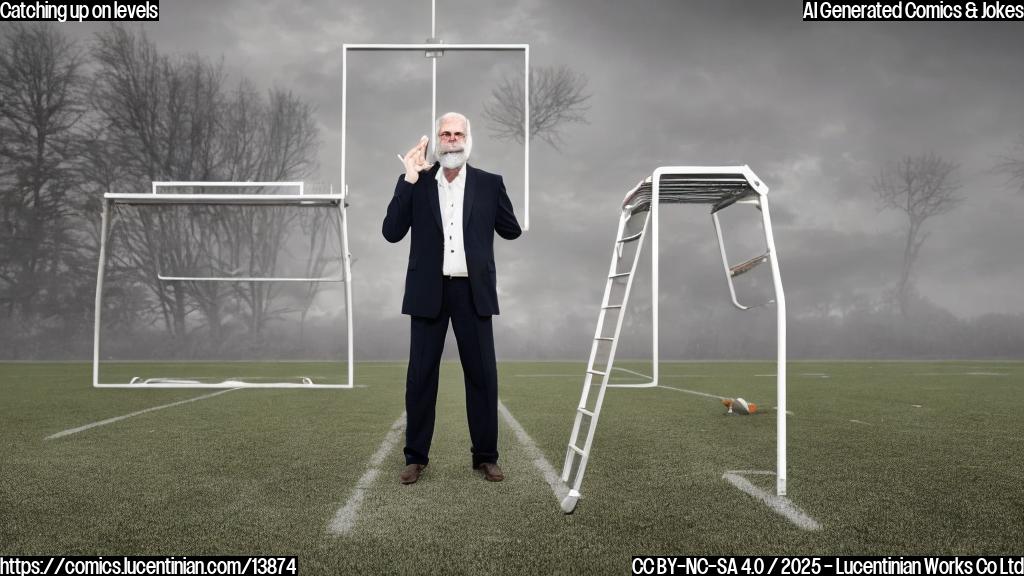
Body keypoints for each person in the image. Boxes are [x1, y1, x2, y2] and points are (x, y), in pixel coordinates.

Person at [382, 112, 522, 485]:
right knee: (421, 377)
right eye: (446, 133)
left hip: (472, 291)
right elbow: (391, 232)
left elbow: (511, 230)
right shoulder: (418, 182)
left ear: (468, 139)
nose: (452, 139)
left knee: (482, 376)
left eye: (458, 133)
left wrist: (497, 208)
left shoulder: (490, 184)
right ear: (438, 140)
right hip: (428, 291)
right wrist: (409, 179)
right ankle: (415, 458)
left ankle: (486, 457)